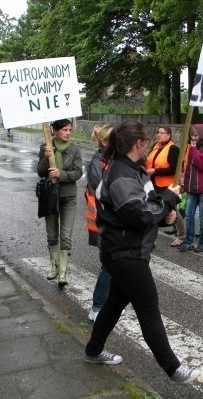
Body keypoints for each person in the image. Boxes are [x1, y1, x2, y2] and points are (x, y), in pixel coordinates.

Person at [84, 120, 200, 384]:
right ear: (139, 143)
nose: (149, 142)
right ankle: (173, 369)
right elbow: (138, 214)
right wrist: (170, 198)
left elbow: (143, 208)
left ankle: (93, 350)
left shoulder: (131, 169)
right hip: (125, 252)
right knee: (148, 308)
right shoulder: (122, 173)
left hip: (123, 248)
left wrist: (163, 217)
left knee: (114, 304)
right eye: (146, 139)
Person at [37, 119, 83, 287]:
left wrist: (61, 173)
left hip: (68, 196)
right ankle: (54, 266)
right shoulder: (46, 147)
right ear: (55, 131)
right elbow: (40, 172)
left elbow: (78, 172)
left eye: (69, 130)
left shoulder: (74, 149)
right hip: (50, 195)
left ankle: (63, 271)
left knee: (66, 235)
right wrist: (46, 158)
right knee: (52, 234)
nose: (68, 133)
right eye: (64, 130)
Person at [85, 124, 113, 322]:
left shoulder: (112, 159)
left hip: (111, 221)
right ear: (104, 141)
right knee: (108, 266)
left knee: (114, 266)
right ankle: (97, 307)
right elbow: (102, 190)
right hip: (102, 222)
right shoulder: (98, 162)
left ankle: (107, 304)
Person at [179, 123, 203, 252]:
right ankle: (189, 242)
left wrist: (194, 150)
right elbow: (188, 168)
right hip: (192, 188)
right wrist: (184, 183)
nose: (193, 138)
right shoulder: (191, 147)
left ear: (202, 135)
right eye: (192, 135)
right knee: (189, 216)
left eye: (196, 135)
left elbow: (201, 164)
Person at [146, 126, 186, 247]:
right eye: (158, 132)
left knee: (173, 211)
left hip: (167, 186)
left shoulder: (173, 149)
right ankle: (151, 239)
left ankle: (181, 236)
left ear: (169, 135)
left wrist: (155, 171)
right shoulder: (155, 146)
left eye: (162, 133)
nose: (159, 135)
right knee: (153, 210)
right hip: (153, 184)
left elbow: (175, 169)